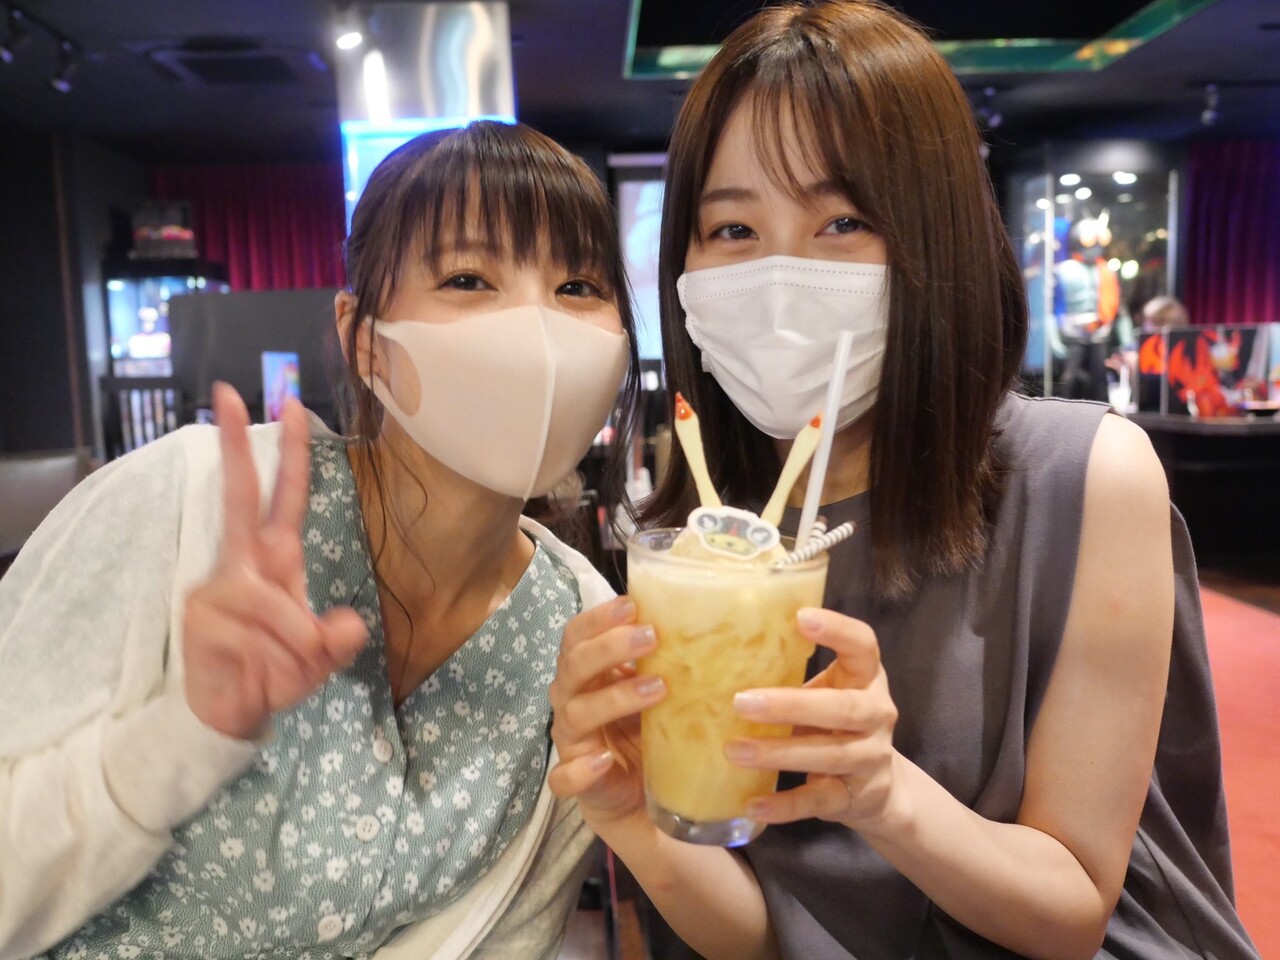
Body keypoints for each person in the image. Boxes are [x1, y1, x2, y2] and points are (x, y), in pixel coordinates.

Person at [546, 3, 1260, 959]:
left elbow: (1074, 912)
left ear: (937, 236)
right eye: (733, 228)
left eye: (844, 221)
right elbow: (764, 939)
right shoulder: (705, 536)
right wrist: (633, 816)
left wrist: (884, 795)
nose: (782, 274)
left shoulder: (1083, 476)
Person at [0, 120, 640, 960]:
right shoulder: (190, 502)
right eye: (468, 278)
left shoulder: (580, 625)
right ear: (364, 339)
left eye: (578, 285)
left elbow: (512, 934)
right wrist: (176, 737)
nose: (537, 331)